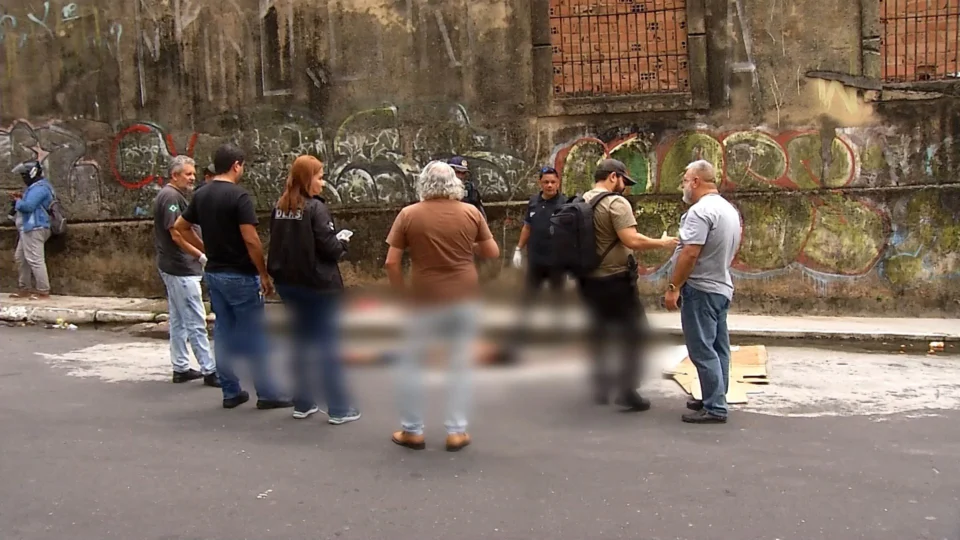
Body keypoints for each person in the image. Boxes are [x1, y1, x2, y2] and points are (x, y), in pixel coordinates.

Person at [384, 161, 500, 452]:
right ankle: (456, 431)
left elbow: (391, 262)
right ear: (455, 184)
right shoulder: (471, 213)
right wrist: (466, 246)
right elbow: (491, 252)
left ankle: (413, 431)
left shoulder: (408, 215)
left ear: (423, 184)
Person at [174, 143, 292, 410]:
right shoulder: (239, 197)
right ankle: (267, 392)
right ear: (237, 165)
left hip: (214, 273)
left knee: (224, 332)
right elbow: (251, 240)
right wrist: (263, 272)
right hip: (240, 274)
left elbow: (180, 227)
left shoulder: (201, 195)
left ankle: (230, 390)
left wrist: (206, 248)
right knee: (255, 334)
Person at [268, 155, 361, 425]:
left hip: (289, 284)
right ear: (307, 179)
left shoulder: (281, 206)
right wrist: (342, 242)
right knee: (328, 345)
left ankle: (303, 402)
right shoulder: (315, 209)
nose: (323, 182)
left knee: (300, 342)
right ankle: (340, 408)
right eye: (319, 177)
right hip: (318, 286)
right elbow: (329, 248)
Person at [580, 159, 678, 411]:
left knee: (599, 330)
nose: (625, 187)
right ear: (613, 177)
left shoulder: (581, 201)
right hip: (615, 280)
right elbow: (632, 240)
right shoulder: (615, 202)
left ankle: (601, 386)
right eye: (624, 181)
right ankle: (627, 388)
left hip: (588, 279)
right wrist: (663, 243)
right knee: (635, 333)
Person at [664, 160, 742, 425]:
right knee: (719, 347)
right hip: (721, 285)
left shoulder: (700, 212)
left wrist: (674, 287)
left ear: (696, 181)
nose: (683, 186)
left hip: (701, 288)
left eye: (685, 180)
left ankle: (715, 406)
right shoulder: (728, 210)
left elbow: (690, 252)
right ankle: (715, 394)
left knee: (701, 349)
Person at [153, 156, 219, 387]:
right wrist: (201, 254)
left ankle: (180, 366)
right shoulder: (171, 197)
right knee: (194, 318)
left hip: (175, 266)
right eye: (188, 174)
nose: (192, 178)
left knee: (180, 319)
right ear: (175, 175)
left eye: (193, 173)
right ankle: (210, 369)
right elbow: (176, 233)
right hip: (181, 267)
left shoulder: (172, 196)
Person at [505, 166, 569, 357]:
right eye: (546, 182)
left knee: (558, 299)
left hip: (557, 260)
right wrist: (518, 249)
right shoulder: (533, 202)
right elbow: (527, 227)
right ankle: (520, 337)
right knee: (528, 298)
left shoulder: (566, 203)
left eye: (553, 182)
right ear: (540, 183)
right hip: (536, 260)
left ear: (558, 183)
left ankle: (558, 339)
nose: (549, 185)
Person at [10, 161, 54, 300]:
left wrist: (18, 202)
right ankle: (24, 288)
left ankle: (43, 291)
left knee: (35, 259)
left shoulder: (40, 188)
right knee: (21, 258)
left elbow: (28, 206)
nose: (23, 178)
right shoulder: (35, 188)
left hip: (36, 227)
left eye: (24, 174)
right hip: (27, 228)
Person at [447, 156, 487, 221]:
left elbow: (480, 212)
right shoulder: (441, 189)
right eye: (457, 172)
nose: (460, 176)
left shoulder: (470, 188)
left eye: (463, 173)